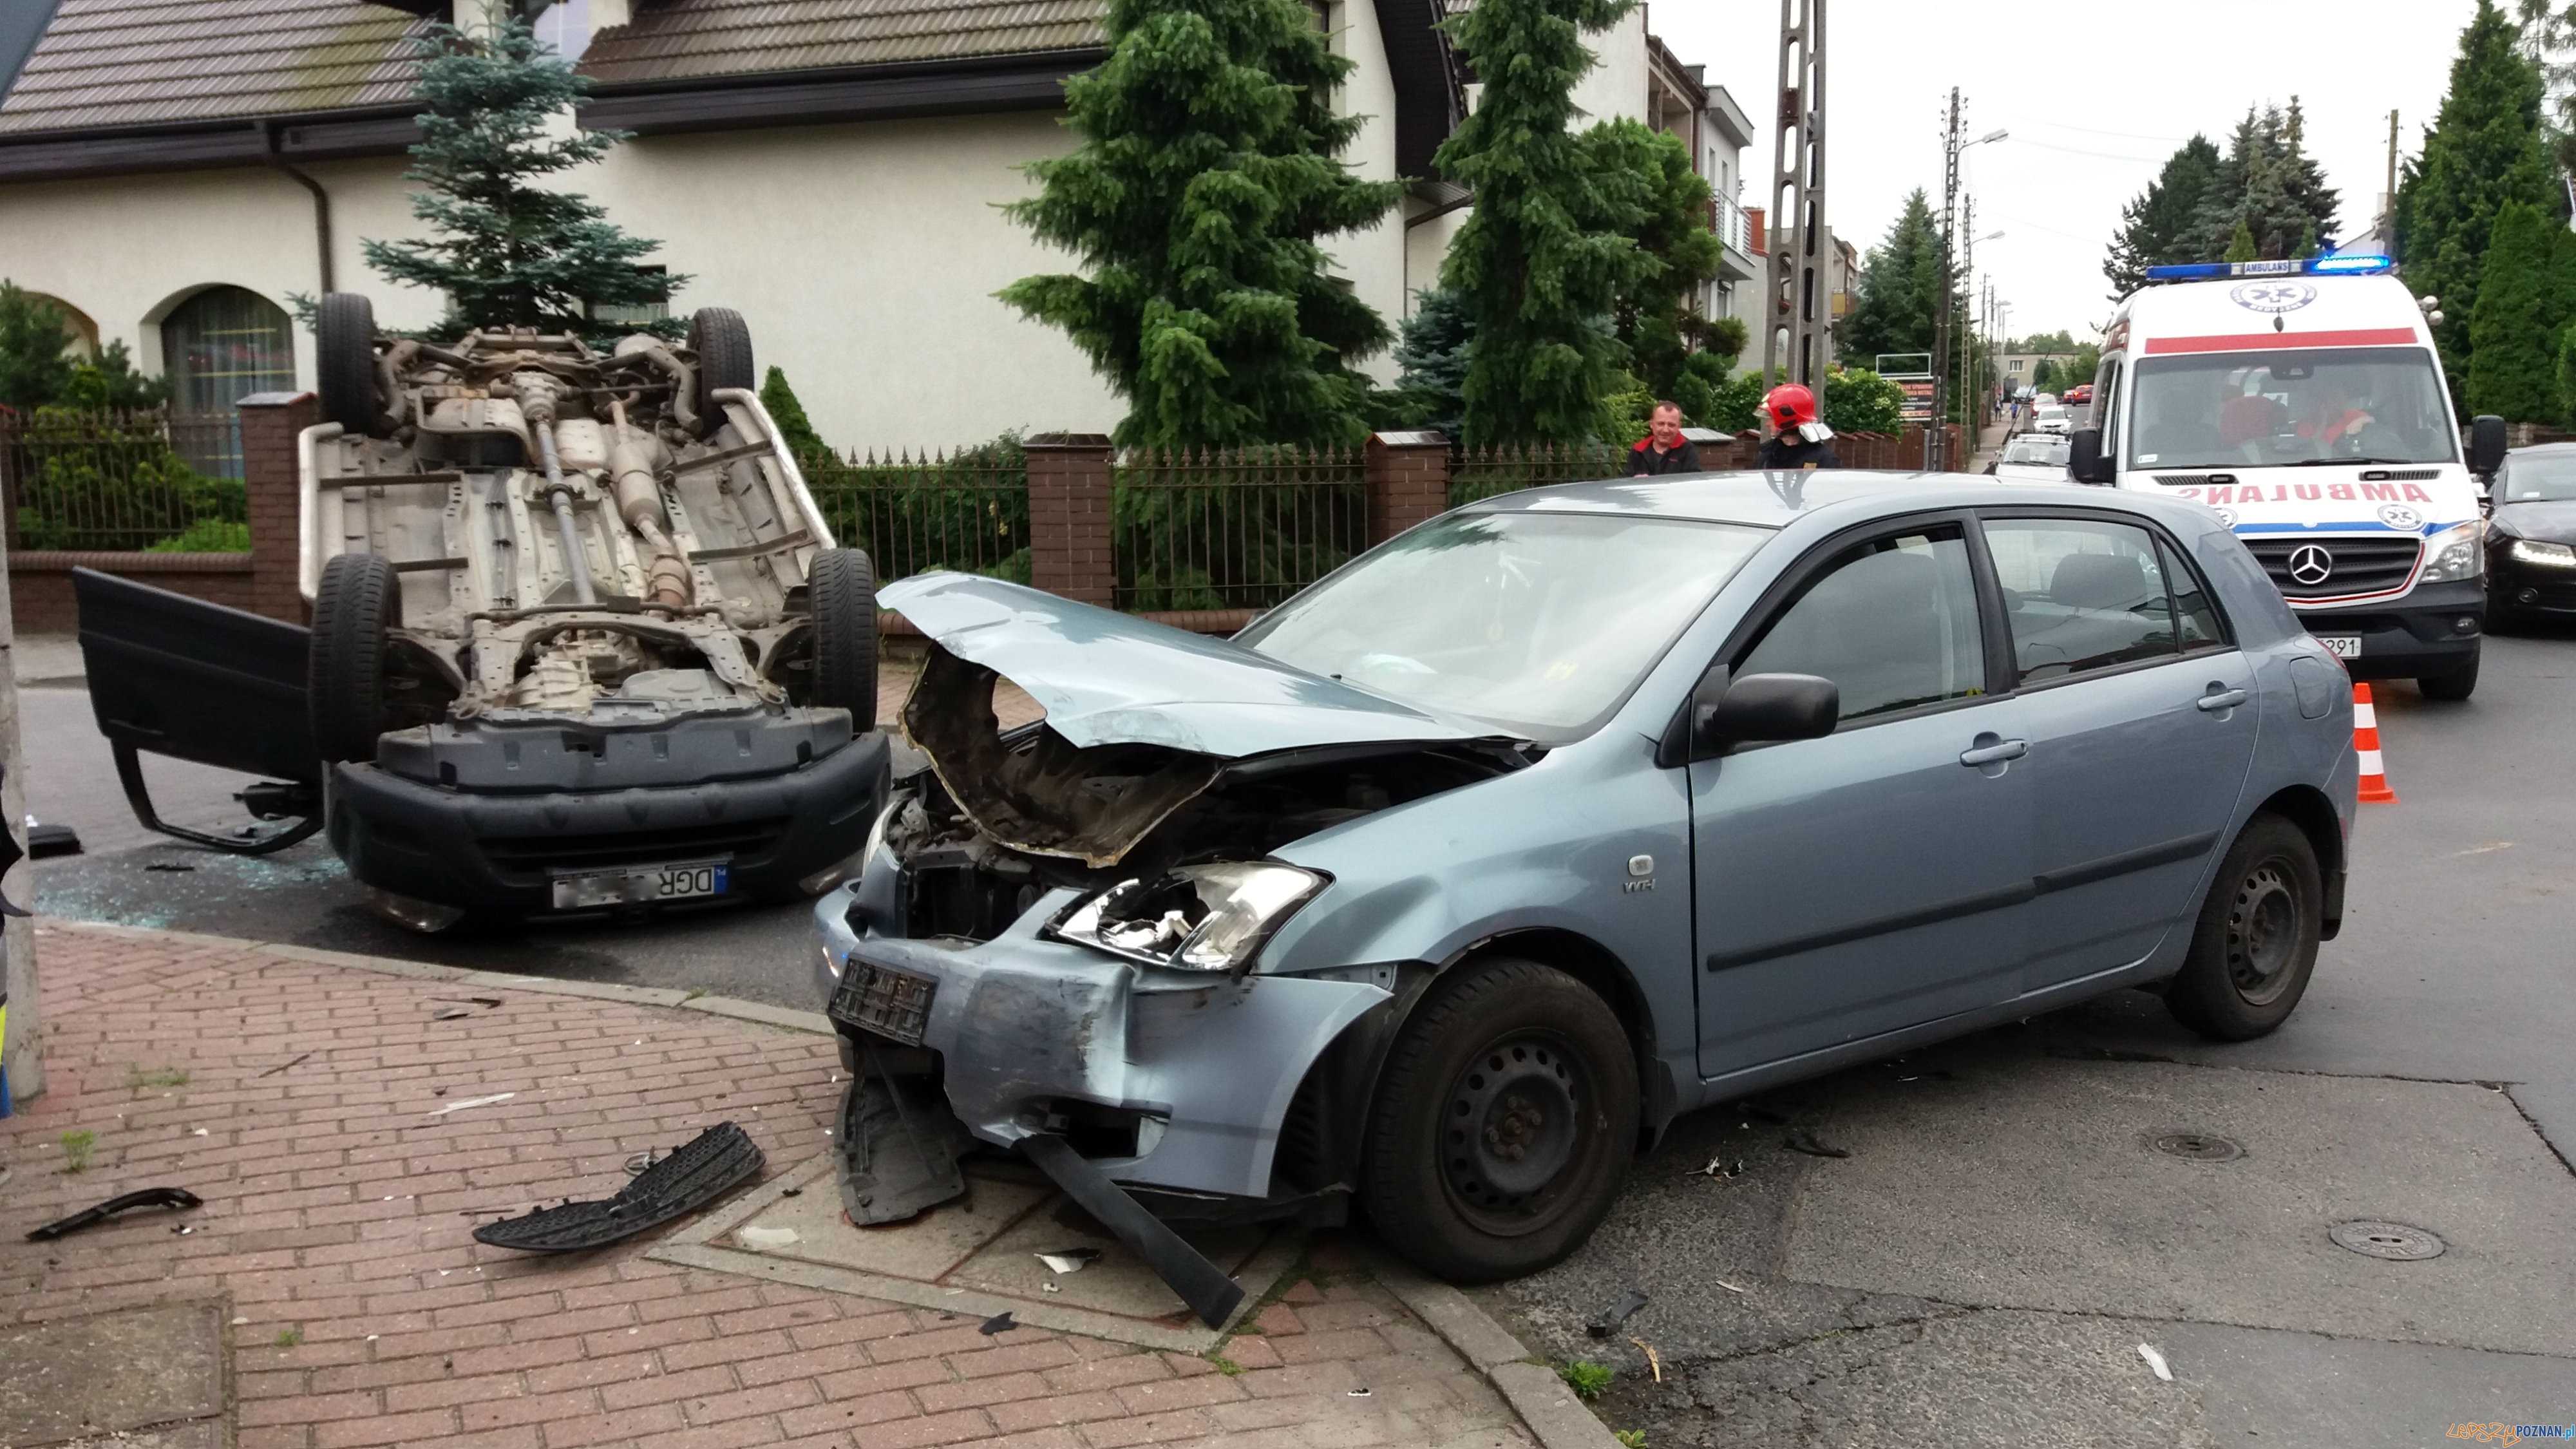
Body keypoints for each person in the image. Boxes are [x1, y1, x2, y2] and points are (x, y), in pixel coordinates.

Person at [1757, 383, 1842, 469]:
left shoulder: (1824, 459)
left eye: (1772, 418)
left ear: (1787, 418)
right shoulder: (1767, 457)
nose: (1767, 424)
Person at [1627, 401, 1704, 475]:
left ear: (1679, 426)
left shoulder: (1688, 450)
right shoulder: (1638, 451)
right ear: (1652, 424)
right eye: (1661, 424)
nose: (1665, 430)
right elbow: (1625, 480)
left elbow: (1694, 480)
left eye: (1671, 425)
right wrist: (1635, 480)